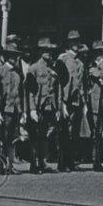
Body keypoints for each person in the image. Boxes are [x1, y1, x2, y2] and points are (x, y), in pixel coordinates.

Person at [24, 37, 62, 174]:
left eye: (51, 51)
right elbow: (29, 90)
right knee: (35, 136)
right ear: (40, 51)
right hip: (38, 106)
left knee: (45, 136)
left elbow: (56, 90)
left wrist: (57, 108)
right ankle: (34, 164)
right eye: (46, 50)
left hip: (49, 107)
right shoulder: (33, 68)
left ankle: (42, 162)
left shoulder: (53, 68)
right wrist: (32, 109)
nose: (49, 53)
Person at [0, 41, 24, 175]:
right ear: (6, 56)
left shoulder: (18, 73)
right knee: (1, 138)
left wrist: (23, 110)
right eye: (11, 55)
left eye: (15, 56)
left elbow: (21, 93)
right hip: (4, 110)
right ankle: (1, 165)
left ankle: (10, 165)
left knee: (12, 138)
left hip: (15, 109)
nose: (14, 58)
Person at [55, 31, 85, 172]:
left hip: (76, 101)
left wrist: (83, 102)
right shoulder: (63, 59)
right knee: (64, 131)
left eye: (77, 41)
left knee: (74, 132)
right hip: (66, 101)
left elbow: (81, 84)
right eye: (73, 42)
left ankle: (71, 161)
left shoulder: (80, 61)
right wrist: (61, 102)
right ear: (68, 43)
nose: (76, 44)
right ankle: (63, 162)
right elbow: (60, 82)